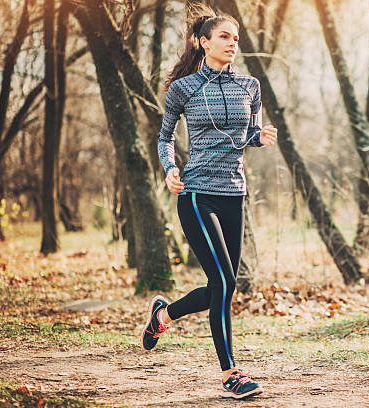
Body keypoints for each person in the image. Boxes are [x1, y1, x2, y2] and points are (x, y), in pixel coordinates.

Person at [140, 5, 277, 400]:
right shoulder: (183, 88)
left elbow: (248, 135)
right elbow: (165, 137)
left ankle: (162, 316)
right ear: (203, 42)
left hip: (235, 192)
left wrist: (260, 137)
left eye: (236, 38)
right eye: (224, 37)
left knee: (223, 286)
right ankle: (231, 373)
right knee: (225, 281)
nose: (233, 43)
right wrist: (169, 168)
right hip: (197, 193)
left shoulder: (249, 86)